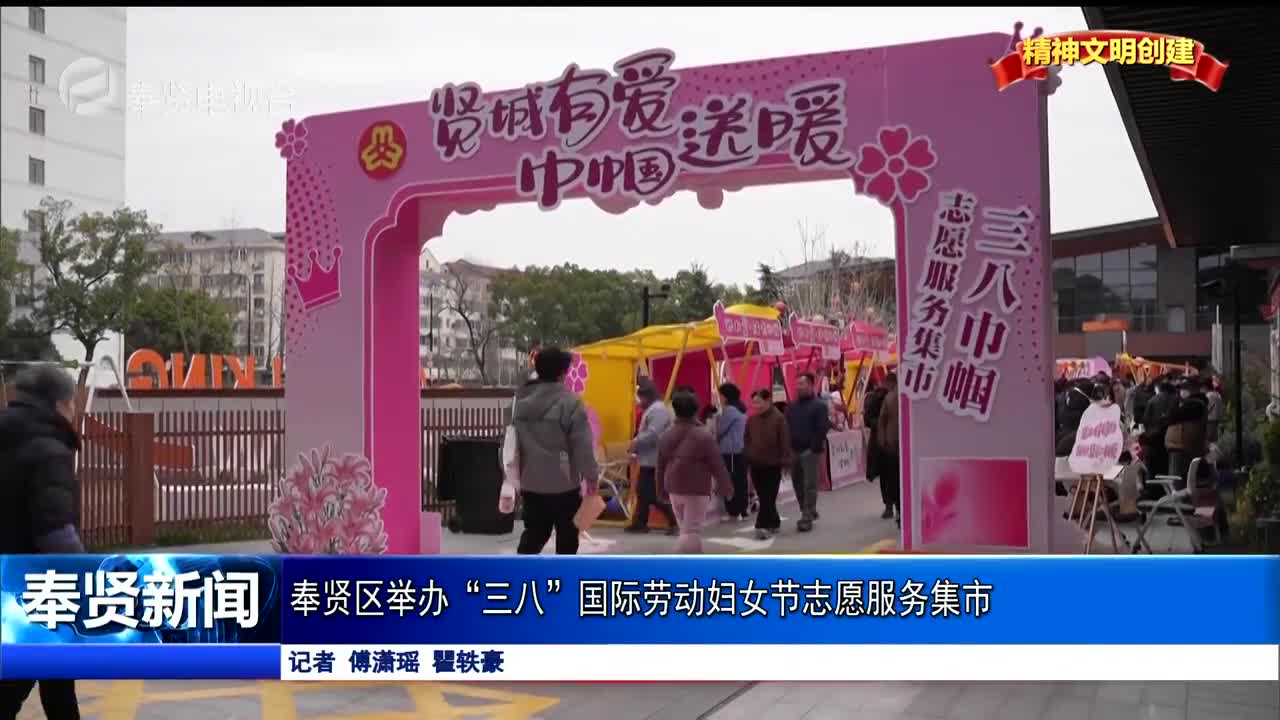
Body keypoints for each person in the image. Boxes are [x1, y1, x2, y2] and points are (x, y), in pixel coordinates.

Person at [0, 365, 85, 720]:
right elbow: (56, 532)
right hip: (38, 586)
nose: (74, 410)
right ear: (59, 403)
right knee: (18, 684)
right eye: (73, 403)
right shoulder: (49, 451)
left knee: (57, 680)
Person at [511, 347, 599, 555]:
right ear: (563, 372)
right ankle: (562, 574)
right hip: (564, 483)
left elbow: (511, 442)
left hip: (531, 482)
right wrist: (592, 476)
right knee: (567, 536)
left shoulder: (520, 402)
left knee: (534, 533)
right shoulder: (571, 403)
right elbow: (582, 447)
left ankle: (519, 571)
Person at [656, 390, 733, 553]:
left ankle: (697, 558)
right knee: (691, 531)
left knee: (686, 529)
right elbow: (717, 465)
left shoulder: (666, 435)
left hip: (673, 488)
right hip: (696, 488)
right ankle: (677, 561)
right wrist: (726, 487)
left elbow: (660, 465)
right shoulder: (704, 436)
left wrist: (660, 490)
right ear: (696, 410)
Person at [626, 377, 678, 535]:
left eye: (640, 397)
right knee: (643, 492)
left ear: (647, 396)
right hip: (649, 459)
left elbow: (653, 433)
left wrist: (635, 442)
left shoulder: (658, 410)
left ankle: (675, 521)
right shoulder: (654, 409)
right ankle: (640, 522)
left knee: (651, 493)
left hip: (656, 459)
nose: (639, 401)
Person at [785, 372, 829, 532]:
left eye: (802, 384)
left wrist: (813, 448)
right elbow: (786, 427)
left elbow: (822, 428)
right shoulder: (791, 407)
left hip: (810, 451)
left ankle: (806, 516)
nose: (798, 387)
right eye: (797, 384)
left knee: (809, 484)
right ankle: (807, 509)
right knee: (797, 483)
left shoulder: (819, 406)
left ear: (811, 385)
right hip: (794, 450)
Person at [745, 388, 790, 539]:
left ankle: (761, 525)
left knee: (768, 496)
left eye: (759, 402)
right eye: (754, 403)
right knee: (764, 496)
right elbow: (746, 438)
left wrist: (785, 461)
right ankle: (774, 521)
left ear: (768, 401)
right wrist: (747, 453)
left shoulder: (779, 418)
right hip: (756, 463)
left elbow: (784, 441)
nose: (756, 406)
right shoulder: (752, 420)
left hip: (773, 464)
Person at [716, 383, 749, 522]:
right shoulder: (741, 408)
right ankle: (743, 510)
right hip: (740, 450)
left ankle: (733, 511)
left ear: (725, 396)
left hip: (730, 452)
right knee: (740, 481)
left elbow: (720, 431)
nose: (719, 398)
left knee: (730, 481)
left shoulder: (729, 410)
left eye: (720, 395)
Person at [1166, 378, 1209, 485]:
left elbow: (1173, 415)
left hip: (1182, 448)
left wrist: (1176, 399)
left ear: (1193, 389)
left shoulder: (1195, 404)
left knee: (1177, 482)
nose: (1182, 391)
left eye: (1184, 388)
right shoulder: (1194, 403)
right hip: (1182, 447)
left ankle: (1180, 496)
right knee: (1181, 480)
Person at [876, 372, 902, 527]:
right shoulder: (894, 396)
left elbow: (882, 421)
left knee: (895, 480)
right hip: (901, 445)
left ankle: (899, 510)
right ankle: (901, 509)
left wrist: (883, 442)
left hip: (892, 446)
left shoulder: (890, 397)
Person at [862, 380, 891, 518]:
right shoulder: (876, 397)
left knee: (888, 476)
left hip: (884, 441)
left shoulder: (876, 397)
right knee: (887, 475)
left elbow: (867, 420)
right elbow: (868, 420)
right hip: (883, 442)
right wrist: (881, 424)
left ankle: (891, 505)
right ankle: (890, 505)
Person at [1205, 376, 1224, 443]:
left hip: (1209, 420)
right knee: (1215, 441)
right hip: (1217, 420)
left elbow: (1207, 409)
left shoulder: (1208, 396)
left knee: (1208, 440)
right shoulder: (1218, 395)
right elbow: (1221, 409)